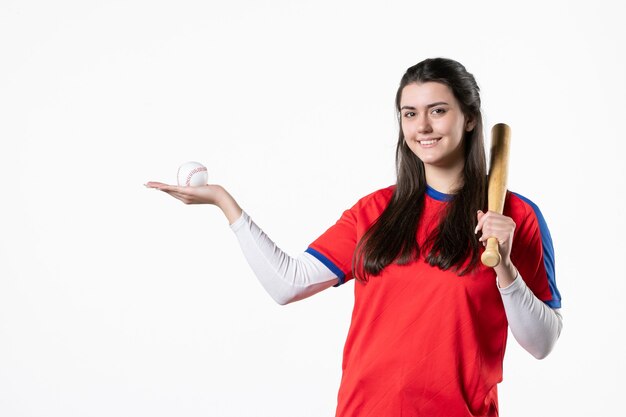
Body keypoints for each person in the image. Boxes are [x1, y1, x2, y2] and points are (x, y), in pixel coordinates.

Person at [145, 57, 562, 417]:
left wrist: (505, 267)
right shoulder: (375, 211)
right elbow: (287, 283)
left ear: (469, 117)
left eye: (438, 111)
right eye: (410, 113)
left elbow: (542, 344)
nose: (423, 126)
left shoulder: (515, 217)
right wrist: (224, 202)